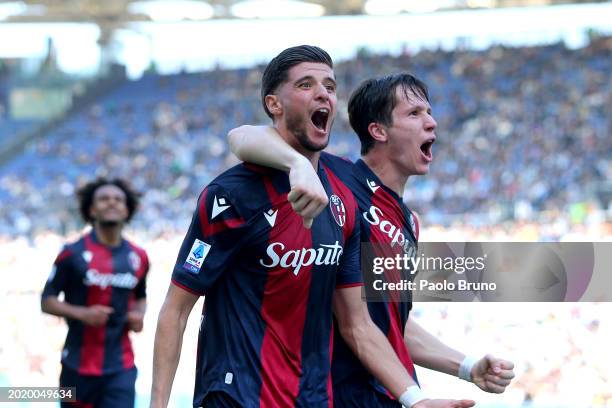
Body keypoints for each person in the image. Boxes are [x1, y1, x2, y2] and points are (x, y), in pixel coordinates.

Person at [151, 46, 476, 408]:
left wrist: (419, 397)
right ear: (274, 104)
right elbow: (175, 310)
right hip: (237, 397)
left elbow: (361, 323)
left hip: (313, 398)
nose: (323, 93)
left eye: (331, 86)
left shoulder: (346, 196)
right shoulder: (231, 195)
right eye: (306, 84)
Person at [228, 72, 515, 407]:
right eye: (414, 114)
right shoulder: (336, 180)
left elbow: (389, 322)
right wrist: (297, 164)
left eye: (429, 112)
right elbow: (240, 136)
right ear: (378, 131)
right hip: (340, 394)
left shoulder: (409, 221)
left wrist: (467, 367)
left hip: (391, 396)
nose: (432, 123)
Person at [41, 177, 149, 407]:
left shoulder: (139, 257)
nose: (111, 203)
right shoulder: (72, 253)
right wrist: (83, 314)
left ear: (127, 209)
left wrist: (139, 315)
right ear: (91, 209)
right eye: (104, 199)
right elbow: (47, 301)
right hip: (75, 367)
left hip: (121, 368)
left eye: (118, 199)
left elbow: (140, 297)